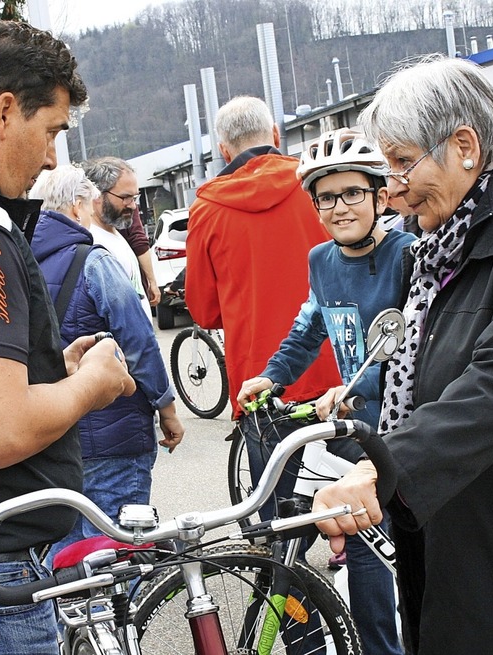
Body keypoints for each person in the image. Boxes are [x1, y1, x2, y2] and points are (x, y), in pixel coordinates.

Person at [312, 54, 493, 655]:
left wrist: (385, 469)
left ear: (465, 146)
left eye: (401, 163)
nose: (390, 188)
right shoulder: (437, 251)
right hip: (445, 540)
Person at [0, 21, 136, 653]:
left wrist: (45, 372)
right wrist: (92, 387)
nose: (51, 159)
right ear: (4, 111)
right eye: (52, 133)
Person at [238, 128, 413, 655]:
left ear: (380, 197)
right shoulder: (321, 260)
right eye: (326, 198)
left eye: (353, 193)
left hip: (393, 432)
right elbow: (309, 328)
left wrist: (353, 387)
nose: (340, 207)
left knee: (367, 557)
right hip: (344, 428)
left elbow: (418, 355)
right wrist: (272, 376)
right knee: (288, 530)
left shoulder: (409, 255)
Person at [185, 95, 342, 521]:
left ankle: (285, 581)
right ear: (275, 135)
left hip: (262, 379)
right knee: (353, 496)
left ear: (223, 150)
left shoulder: (208, 209)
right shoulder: (320, 185)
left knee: (276, 511)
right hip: (338, 367)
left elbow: (202, 309)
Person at [29, 165, 184, 562]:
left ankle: (72, 624)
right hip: (115, 429)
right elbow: (138, 342)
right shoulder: (92, 261)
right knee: (118, 548)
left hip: (53, 427)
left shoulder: (19, 261)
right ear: (78, 205)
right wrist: (166, 408)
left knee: (66, 551)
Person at [82, 156, 157, 322]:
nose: (133, 205)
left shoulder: (114, 232)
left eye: (134, 197)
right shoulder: (95, 245)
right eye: (125, 197)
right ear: (97, 195)